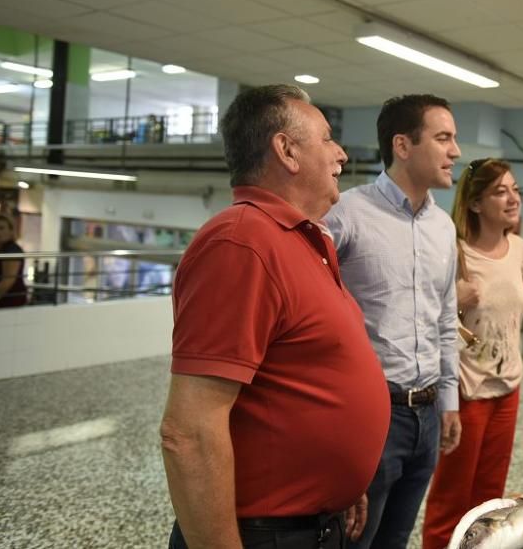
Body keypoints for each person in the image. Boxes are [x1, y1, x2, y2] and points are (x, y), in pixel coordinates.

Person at [160, 84, 390, 549]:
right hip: (265, 534)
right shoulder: (240, 243)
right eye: (327, 138)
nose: (341, 153)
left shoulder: (306, 239)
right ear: (286, 150)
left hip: (318, 520)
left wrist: (340, 484)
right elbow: (189, 431)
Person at [324, 94, 462, 549]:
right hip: (372, 415)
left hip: (425, 416)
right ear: (402, 145)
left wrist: (449, 401)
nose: (455, 151)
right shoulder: (346, 214)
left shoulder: (443, 226)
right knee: (354, 541)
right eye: (443, 138)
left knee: (396, 539)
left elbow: (445, 317)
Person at [421, 158, 523, 549]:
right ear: (476, 203)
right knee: (452, 496)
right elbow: (426, 320)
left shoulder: (519, 248)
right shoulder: (457, 253)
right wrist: (455, 303)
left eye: (515, 189)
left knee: (490, 497)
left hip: (508, 388)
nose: (512, 198)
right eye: (500, 191)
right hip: (467, 391)